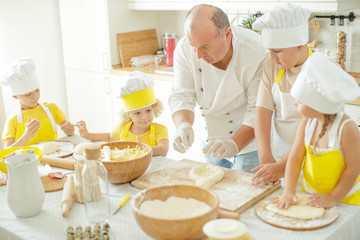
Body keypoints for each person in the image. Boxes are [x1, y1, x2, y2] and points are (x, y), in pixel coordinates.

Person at [169, 4, 267, 172]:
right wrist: (183, 125)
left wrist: (234, 144)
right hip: (210, 141)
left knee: (247, 192)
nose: (198, 55)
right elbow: (182, 95)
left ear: (227, 35)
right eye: (194, 46)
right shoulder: (184, 49)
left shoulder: (256, 52)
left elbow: (258, 110)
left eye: (205, 47)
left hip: (250, 142)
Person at [277, 52, 360, 208]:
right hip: (312, 197)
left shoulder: (347, 128)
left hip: (345, 200)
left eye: (300, 102)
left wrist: (333, 198)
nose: (295, 104)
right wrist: (288, 191)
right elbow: (294, 159)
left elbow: (353, 169)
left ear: (319, 107)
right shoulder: (307, 124)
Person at [251, 3, 312, 185]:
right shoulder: (271, 65)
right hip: (277, 160)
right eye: (269, 50)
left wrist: (284, 166)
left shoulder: (319, 71)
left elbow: (314, 131)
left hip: (311, 163)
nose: (271, 57)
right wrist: (266, 158)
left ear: (300, 45)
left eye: (277, 51)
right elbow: (262, 111)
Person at [76, 71, 169, 157]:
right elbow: (109, 137)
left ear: (154, 108)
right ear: (129, 114)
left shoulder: (160, 130)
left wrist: (142, 149)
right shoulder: (123, 127)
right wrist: (87, 135)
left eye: (148, 111)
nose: (144, 117)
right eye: (137, 113)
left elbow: (163, 150)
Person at [1, 58, 75, 148]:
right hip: (28, 161)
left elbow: (70, 133)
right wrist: (26, 137)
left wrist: (70, 131)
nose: (35, 97)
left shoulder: (51, 108)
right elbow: (6, 153)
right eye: (28, 94)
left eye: (37, 90)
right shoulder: (13, 120)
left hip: (54, 157)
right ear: (15, 96)